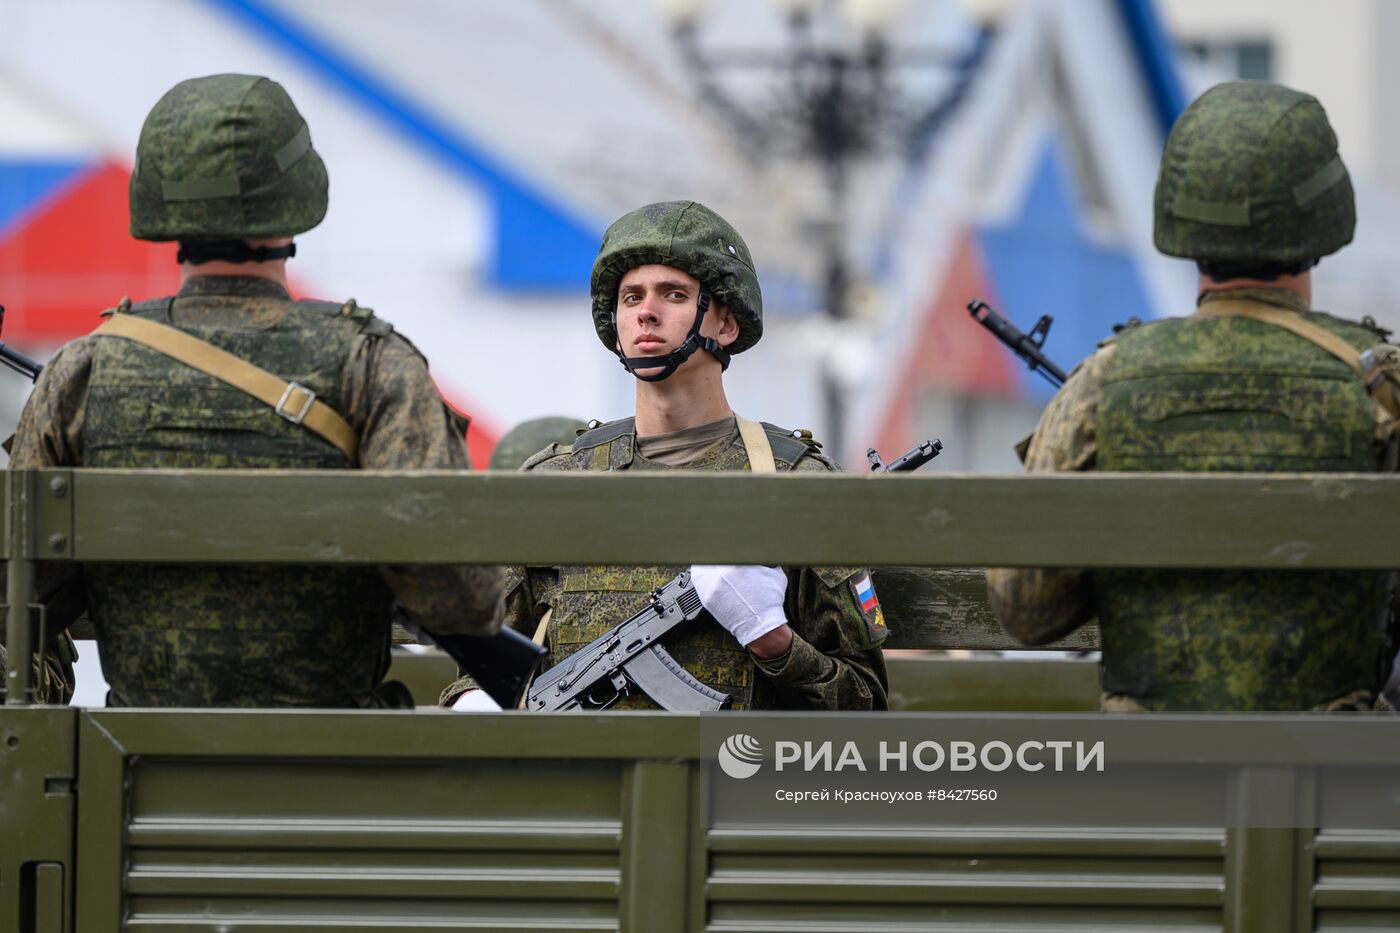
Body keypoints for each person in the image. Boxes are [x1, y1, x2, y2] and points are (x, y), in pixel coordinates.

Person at [8, 73, 503, 707]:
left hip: (131, 768)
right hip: (334, 767)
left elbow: (26, 598)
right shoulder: (373, 365)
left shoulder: (81, 372)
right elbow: (461, 595)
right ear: (294, 201)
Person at [986, 81, 1400, 711]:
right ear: (1324, 215)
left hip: (1150, 778)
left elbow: (1028, 610)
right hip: (1336, 775)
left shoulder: (1105, 381)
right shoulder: (1382, 386)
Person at [442, 200, 888, 711]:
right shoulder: (557, 481)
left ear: (726, 325)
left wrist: (773, 641)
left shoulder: (800, 486)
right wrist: (474, 701)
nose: (646, 312)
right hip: (575, 780)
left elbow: (866, 707)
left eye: (674, 294)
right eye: (631, 297)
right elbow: (478, 667)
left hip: (730, 779)